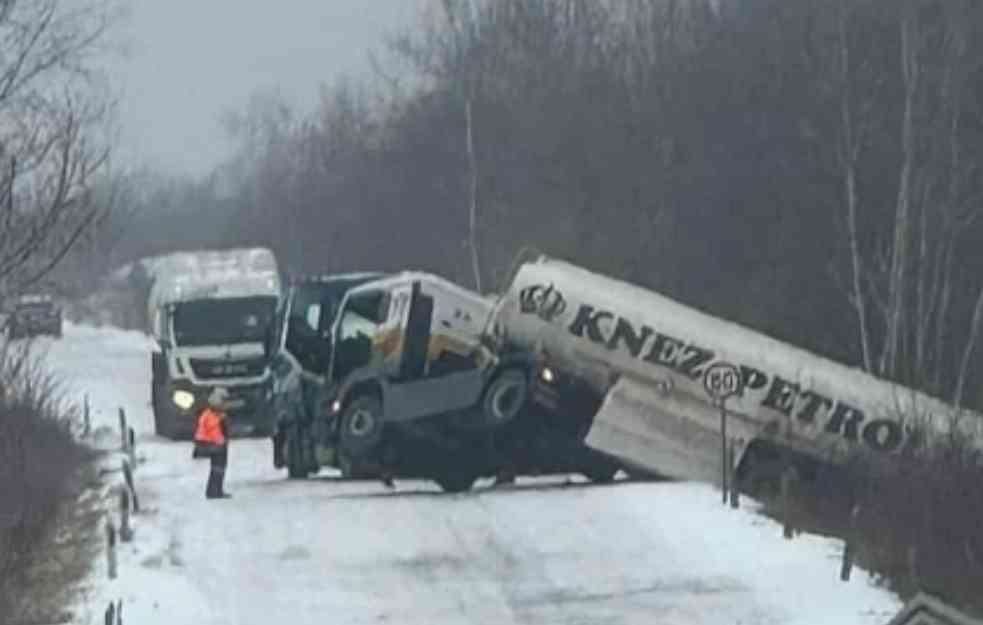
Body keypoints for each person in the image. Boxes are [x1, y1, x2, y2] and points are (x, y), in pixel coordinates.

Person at [193, 386, 232, 499]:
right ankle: (215, 491)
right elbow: (215, 432)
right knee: (218, 468)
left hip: (209, 443)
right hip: (212, 444)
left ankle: (214, 490)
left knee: (217, 468)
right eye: (224, 400)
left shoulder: (210, 414)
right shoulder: (214, 416)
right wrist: (222, 443)